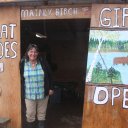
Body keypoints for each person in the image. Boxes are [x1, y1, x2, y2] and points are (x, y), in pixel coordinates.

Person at [20, 43, 54, 128]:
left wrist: (51, 88)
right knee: (30, 114)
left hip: (42, 93)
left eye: (35, 52)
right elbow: (21, 77)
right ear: (27, 53)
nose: (33, 54)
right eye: (31, 51)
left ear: (38, 53)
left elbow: (50, 75)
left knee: (42, 114)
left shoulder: (42, 62)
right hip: (29, 94)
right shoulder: (22, 63)